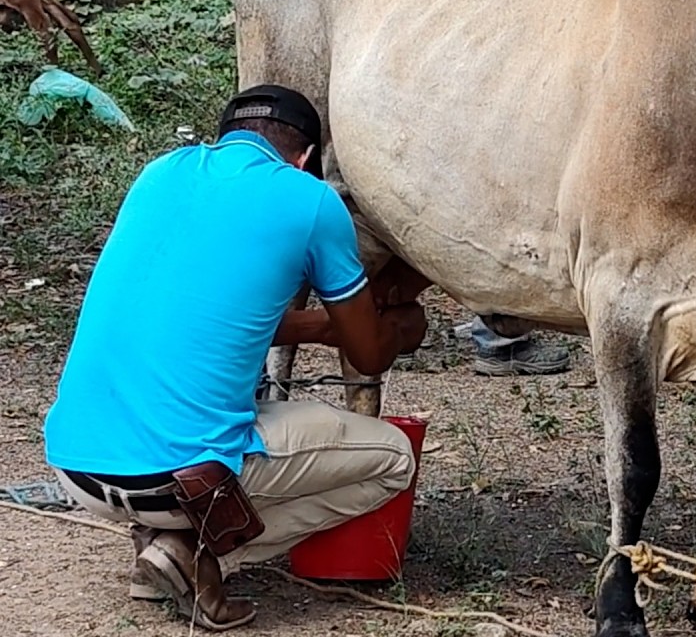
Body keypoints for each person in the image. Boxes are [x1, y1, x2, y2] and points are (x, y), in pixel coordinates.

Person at [42, 85, 428, 632]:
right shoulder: (309, 199)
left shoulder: (160, 174)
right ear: (306, 160)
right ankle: (195, 550)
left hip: (75, 466)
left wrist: (319, 327)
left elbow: (210, 315)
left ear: (225, 137)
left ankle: (158, 547)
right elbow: (367, 354)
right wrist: (401, 329)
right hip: (178, 482)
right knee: (393, 460)